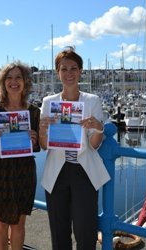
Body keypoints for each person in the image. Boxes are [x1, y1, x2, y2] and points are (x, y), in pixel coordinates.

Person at [39, 47, 110, 250]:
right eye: (64, 69)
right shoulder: (48, 102)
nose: (69, 73)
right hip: (57, 172)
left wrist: (97, 127)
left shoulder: (92, 101)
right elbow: (44, 146)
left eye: (73, 68)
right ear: (57, 72)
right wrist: (42, 130)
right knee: (59, 232)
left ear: (80, 71)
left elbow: (95, 145)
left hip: (84, 171)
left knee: (85, 232)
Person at [0, 61, 40, 250]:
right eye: (9, 78)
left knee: (19, 224)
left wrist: (34, 139)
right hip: (0, 171)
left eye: (18, 77)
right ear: (3, 82)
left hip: (24, 171)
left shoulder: (33, 112)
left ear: (25, 82)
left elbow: (38, 146)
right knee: (0, 224)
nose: (14, 82)